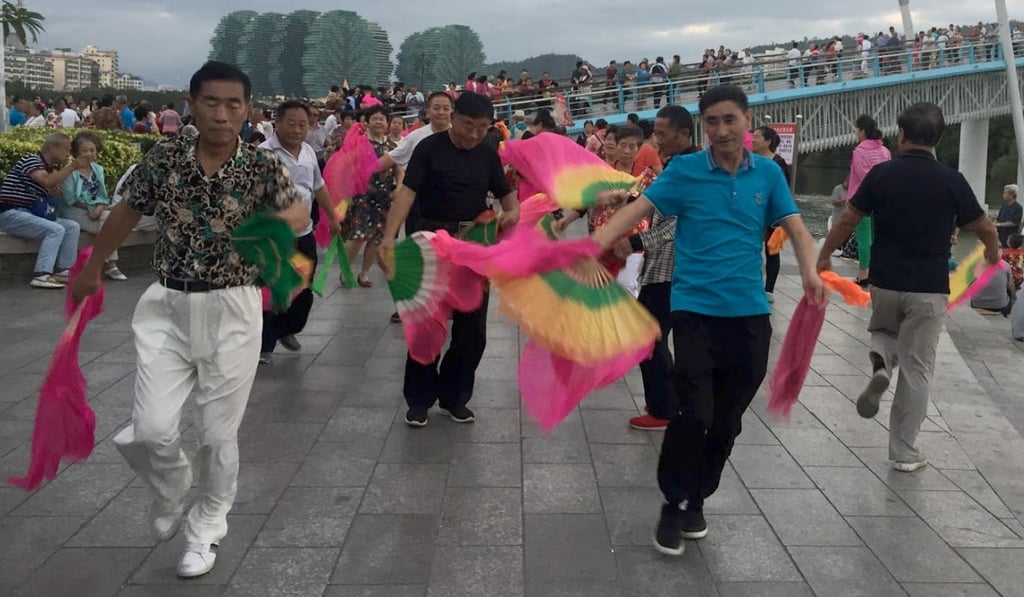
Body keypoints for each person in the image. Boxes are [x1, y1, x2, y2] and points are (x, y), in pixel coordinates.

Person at [70, 61, 309, 579]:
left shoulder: (262, 167)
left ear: (248, 110)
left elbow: (298, 215)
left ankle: (205, 528)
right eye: (211, 103)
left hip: (234, 307)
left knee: (218, 436)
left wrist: (278, 222)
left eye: (234, 105)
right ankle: (172, 492)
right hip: (168, 307)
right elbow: (127, 212)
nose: (222, 115)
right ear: (192, 104)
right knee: (152, 428)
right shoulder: (164, 157)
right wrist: (92, 268)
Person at [591, 85, 826, 557]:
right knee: (693, 412)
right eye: (712, 122)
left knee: (727, 421)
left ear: (746, 120)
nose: (720, 130)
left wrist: (811, 275)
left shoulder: (768, 175)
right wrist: (589, 248)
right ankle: (673, 500)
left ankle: (697, 496)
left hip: (750, 315)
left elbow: (797, 228)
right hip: (695, 311)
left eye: (729, 120)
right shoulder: (685, 171)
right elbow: (638, 210)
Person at [817, 102, 999, 473]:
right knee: (917, 368)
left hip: (885, 280)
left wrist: (824, 255)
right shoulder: (952, 180)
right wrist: (993, 256)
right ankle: (903, 452)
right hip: (929, 287)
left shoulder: (882, 175)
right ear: (939, 138)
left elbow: (848, 219)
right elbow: (984, 227)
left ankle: (881, 365)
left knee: (883, 331)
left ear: (900, 135)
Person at [379, 91, 519, 427]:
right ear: (453, 117)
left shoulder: (487, 154)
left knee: (473, 332)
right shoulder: (429, 148)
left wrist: (512, 212)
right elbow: (407, 194)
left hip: (472, 247)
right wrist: (387, 238)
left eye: (482, 128)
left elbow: (506, 194)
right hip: (431, 245)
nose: (473, 134)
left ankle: (455, 397)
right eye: (468, 125)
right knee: (426, 326)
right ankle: (419, 400)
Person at [616, 105, 697, 431]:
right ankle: (665, 401)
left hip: (669, 271)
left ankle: (664, 408)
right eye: (655, 135)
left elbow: (675, 225)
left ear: (684, 134)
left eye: (662, 136)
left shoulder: (686, 170)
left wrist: (635, 243)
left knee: (649, 336)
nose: (656, 142)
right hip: (665, 270)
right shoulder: (681, 166)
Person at [258, 100, 340, 363]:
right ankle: (264, 346)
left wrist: (333, 217)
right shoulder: (263, 153)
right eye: (290, 123)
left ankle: (288, 328)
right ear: (278, 123)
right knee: (274, 289)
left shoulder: (307, 152)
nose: (296, 129)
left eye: (302, 124)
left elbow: (318, 186)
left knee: (303, 289)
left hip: (303, 232)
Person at [0, 133, 87, 288]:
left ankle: (64, 270)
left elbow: (50, 185)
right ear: (53, 148)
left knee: (72, 227)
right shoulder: (31, 160)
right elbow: (47, 181)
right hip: (11, 213)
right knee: (55, 229)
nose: (68, 154)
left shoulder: (48, 168)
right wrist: (73, 166)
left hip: (31, 214)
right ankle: (42, 274)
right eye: (66, 149)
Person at [57, 131, 127, 280]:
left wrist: (99, 208)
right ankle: (111, 265)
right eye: (84, 150)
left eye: (92, 150)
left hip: (97, 210)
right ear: (76, 153)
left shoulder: (98, 169)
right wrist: (92, 209)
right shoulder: (70, 171)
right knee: (110, 224)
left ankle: (107, 264)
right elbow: (70, 199)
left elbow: (103, 195)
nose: (89, 154)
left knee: (108, 218)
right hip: (74, 210)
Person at [340, 105, 397, 287]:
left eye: (382, 119)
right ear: (367, 122)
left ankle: (364, 273)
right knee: (357, 235)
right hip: (361, 196)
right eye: (375, 118)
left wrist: (399, 188)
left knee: (376, 238)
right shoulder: (359, 142)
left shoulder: (392, 146)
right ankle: (345, 270)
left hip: (383, 198)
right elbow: (347, 166)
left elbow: (400, 169)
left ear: (387, 123)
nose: (379, 122)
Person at [848, 115, 892, 286]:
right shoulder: (885, 151)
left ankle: (863, 274)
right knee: (877, 237)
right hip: (883, 199)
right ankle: (876, 272)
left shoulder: (859, 151)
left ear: (863, 131)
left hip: (863, 200)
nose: (856, 134)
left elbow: (863, 176)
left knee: (864, 237)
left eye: (857, 130)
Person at [751, 126, 792, 303]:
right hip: (752, 212)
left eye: (757, 137)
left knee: (772, 250)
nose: (753, 140)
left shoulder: (779, 164)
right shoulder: (750, 161)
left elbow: (782, 191)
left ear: (767, 141)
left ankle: (769, 289)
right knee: (751, 249)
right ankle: (752, 285)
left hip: (772, 215)